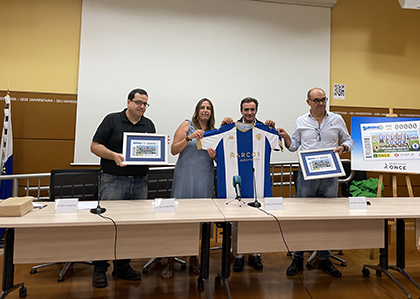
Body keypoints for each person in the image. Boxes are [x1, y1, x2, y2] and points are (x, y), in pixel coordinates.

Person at [277, 87, 353, 278]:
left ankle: (324, 259)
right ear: (308, 102)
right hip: (306, 175)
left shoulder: (336, 119)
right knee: (302, 217)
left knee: (327, 217)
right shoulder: (301, 121)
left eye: (323, 100)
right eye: (317, 100)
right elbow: (294, 145)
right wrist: (286, 136)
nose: (321, 103)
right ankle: (297, 258)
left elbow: (349, 140)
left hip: (330, 175)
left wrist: (343, 147)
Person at [90, 88, 156, 288]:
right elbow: (94, 146)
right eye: (138, 102)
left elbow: (150, 151)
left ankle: (122, 266)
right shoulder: (112, 119)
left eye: (145, 104)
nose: (142, 106)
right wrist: (114, 156)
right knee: (106, 225)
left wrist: (157, 148)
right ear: (128, 102)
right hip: (113, 180)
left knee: (130, 227)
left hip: (140, 182)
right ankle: (100, 268)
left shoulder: (149, 124)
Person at [220, 97, 277, 273]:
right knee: (237, 222)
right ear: (241, 110)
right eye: (246, 110)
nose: (249, 113)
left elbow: (280, 144)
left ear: (256, 110)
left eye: (252, 109)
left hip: (257, 185)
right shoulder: (230, 128)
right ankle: (238, 255)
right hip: (237, 185)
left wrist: (273, 129)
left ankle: (255, 254)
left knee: (256, 220)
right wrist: (222, 126)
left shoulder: (265, 129)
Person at [160, 98, 216, 280]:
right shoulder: (187, 125)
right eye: (202, 107)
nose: (205, 110)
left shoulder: (214, 132)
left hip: (204, 178)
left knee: (200, 221)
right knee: (178, 220)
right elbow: (174, 150)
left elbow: (220, 159)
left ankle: (194, 259)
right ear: (197, 110)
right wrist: (189, 137)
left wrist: (215, 156)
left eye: (208, 108)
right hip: (185, 177)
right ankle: (170, 260)